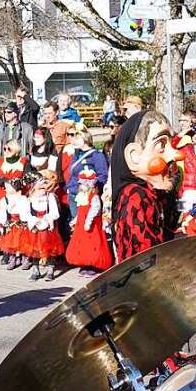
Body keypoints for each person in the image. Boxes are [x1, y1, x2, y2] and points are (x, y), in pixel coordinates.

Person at [110, 110, 180, 260]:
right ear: (134, 156)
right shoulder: (136, 197)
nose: (175, 155)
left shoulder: (151, 194)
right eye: (161, 145)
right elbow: (146, 257)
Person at [65, 166, 113, 276]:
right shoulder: (82, 196)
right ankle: (84, 264)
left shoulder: (94, 197)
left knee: (93, 245)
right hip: (81, 225)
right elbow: (80, 210)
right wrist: (75, 220)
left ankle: (93, 265)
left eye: (84, 184)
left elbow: (95, 210)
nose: (82, 186)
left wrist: (89, 221)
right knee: (82, 245)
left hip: (92, 226)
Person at [0, 138, 28, 244]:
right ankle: (4, 247)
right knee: (2, 222)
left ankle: (16, 249)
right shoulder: (0, 162)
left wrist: (15, 184)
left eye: (9, 149)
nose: (5, 151)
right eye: (4, 149)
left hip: (17, 197)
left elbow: (26, 178)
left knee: (16, 223)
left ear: (16, 151)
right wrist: (5, 182)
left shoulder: (23, 162)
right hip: (1, 195)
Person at [25, 169, 64, 280]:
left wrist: (47, 219)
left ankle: (50, 269)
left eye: (44, 183)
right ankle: (35, 269)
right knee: (35, 250)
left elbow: (55, 213)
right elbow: (26, 214)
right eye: (40, 183)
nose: (43, 186)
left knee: (50, 248)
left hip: (48, 228)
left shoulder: (49, 197)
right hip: (35, 229)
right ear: (33, 186)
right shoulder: (30, 199)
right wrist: (33, 220)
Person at [63, 124, 108, 219]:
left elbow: (103, 175)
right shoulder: (76, 155)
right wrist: (69, 186)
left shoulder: (97, 156)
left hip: (87, 196)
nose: (74, 140)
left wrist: (91, 189)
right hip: (73, 193)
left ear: (85, 140)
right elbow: (72, 173)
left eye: (77, 138)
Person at [0, 174, 32, 270]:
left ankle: (25, 259)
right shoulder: (4, 200)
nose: (6, 188)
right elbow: (2, 213)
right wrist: (2, 224)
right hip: (10, 224)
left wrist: (26, 221)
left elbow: (26, 211)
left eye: (8, 187)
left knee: (23, 242)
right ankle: (12, 258)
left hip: (21, 223)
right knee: (10, 243)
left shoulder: (23, 199)